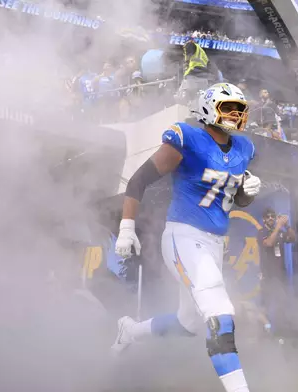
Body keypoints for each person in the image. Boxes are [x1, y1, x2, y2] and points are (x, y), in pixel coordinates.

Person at [111, 83, 261, 392]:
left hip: (214, 242)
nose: (235, 115)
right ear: (208, 108)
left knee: (190, 323)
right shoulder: (187, 138)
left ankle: (130, 331)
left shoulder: (244, 148)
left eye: (240, 110)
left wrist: (246, 192)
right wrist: (127, 227)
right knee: (220, 313)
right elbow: (138, 180)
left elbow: (236, 200)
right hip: (184, 235)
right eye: (228, 107)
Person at [257, 208, 296, 337]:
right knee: (266, 305)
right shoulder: (261, 232)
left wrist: (287, 225)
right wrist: (278, 227)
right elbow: (269, 243)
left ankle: (281, 332)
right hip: (268, 275)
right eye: (268, 217)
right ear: (263, 219)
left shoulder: (280, 231)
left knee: (282, 303)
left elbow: (292, 238)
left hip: (280, 274)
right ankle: (264, 332)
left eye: (273, 216)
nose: (271, 218)